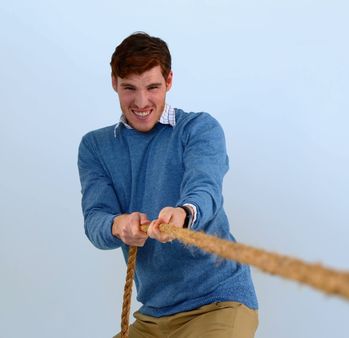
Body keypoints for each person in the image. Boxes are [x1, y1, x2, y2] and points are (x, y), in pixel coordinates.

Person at [77, 32, 258, 338]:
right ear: (114, 83)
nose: (141, 101)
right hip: (154, 315)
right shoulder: (95, 147)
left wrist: (184, 214)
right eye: (129, 88)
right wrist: (118, 225)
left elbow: (205, 188)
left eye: (153, 87)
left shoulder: (199, 129)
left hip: (218, 303)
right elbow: (95, 219)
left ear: (169, 80)